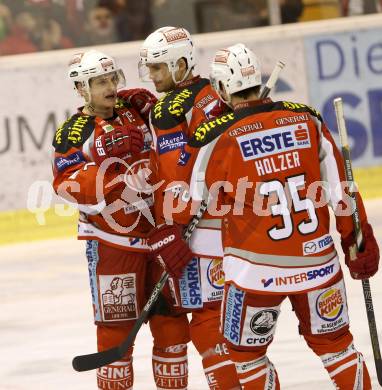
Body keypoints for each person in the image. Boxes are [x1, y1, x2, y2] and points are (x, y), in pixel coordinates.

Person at [164, 42, 379, 389]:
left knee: (246, 356)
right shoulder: (306, 117)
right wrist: (357, 237)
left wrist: (170, 231)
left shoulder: (215, 135)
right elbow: (341, 189)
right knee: (337, 346)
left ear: (220, 89)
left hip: (254, 272)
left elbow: (182, 201)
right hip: (318, 263)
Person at [52, 49, 190, 390]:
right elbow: (64, 184)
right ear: (81, 89)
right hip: (114, 244)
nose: (111, 86)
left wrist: (157, 111)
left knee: (172, 325)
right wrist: (108, 171)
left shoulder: (134, 111)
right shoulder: (73, 132)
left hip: (158, 237)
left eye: (113, 78)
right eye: (101, 82)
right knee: (116, 330)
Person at [132, 26, 241, 390]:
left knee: (209, 322)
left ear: (181, 64)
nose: (152, 76)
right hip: (211, 229)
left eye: (158, 68)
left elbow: (192, 170)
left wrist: (171, 225)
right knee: (213, 320)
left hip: (202, 234)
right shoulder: (202, 94)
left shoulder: (185, 105)